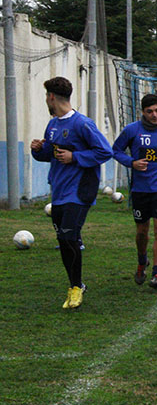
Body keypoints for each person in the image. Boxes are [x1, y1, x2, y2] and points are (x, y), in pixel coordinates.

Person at [30, 76, 112, 309]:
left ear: (51, 97)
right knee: (63, 240)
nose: (46, 100)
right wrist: (38, 150)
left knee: (68, 237)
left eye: (46, 96)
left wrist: (75, 157)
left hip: (79, 191)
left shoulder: (82, 124)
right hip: (59, 191)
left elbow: (104, 151)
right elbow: (50, 154)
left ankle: (75, 288)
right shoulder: (53, 125)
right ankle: (77, 284)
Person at [112, 93, 157, 289]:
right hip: (140, 189)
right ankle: (142, 261)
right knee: (142, 231)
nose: (154, 115)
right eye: (150, 111)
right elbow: (115, 150)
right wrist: (131, 162)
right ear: (142, 112)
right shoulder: (132, 130)